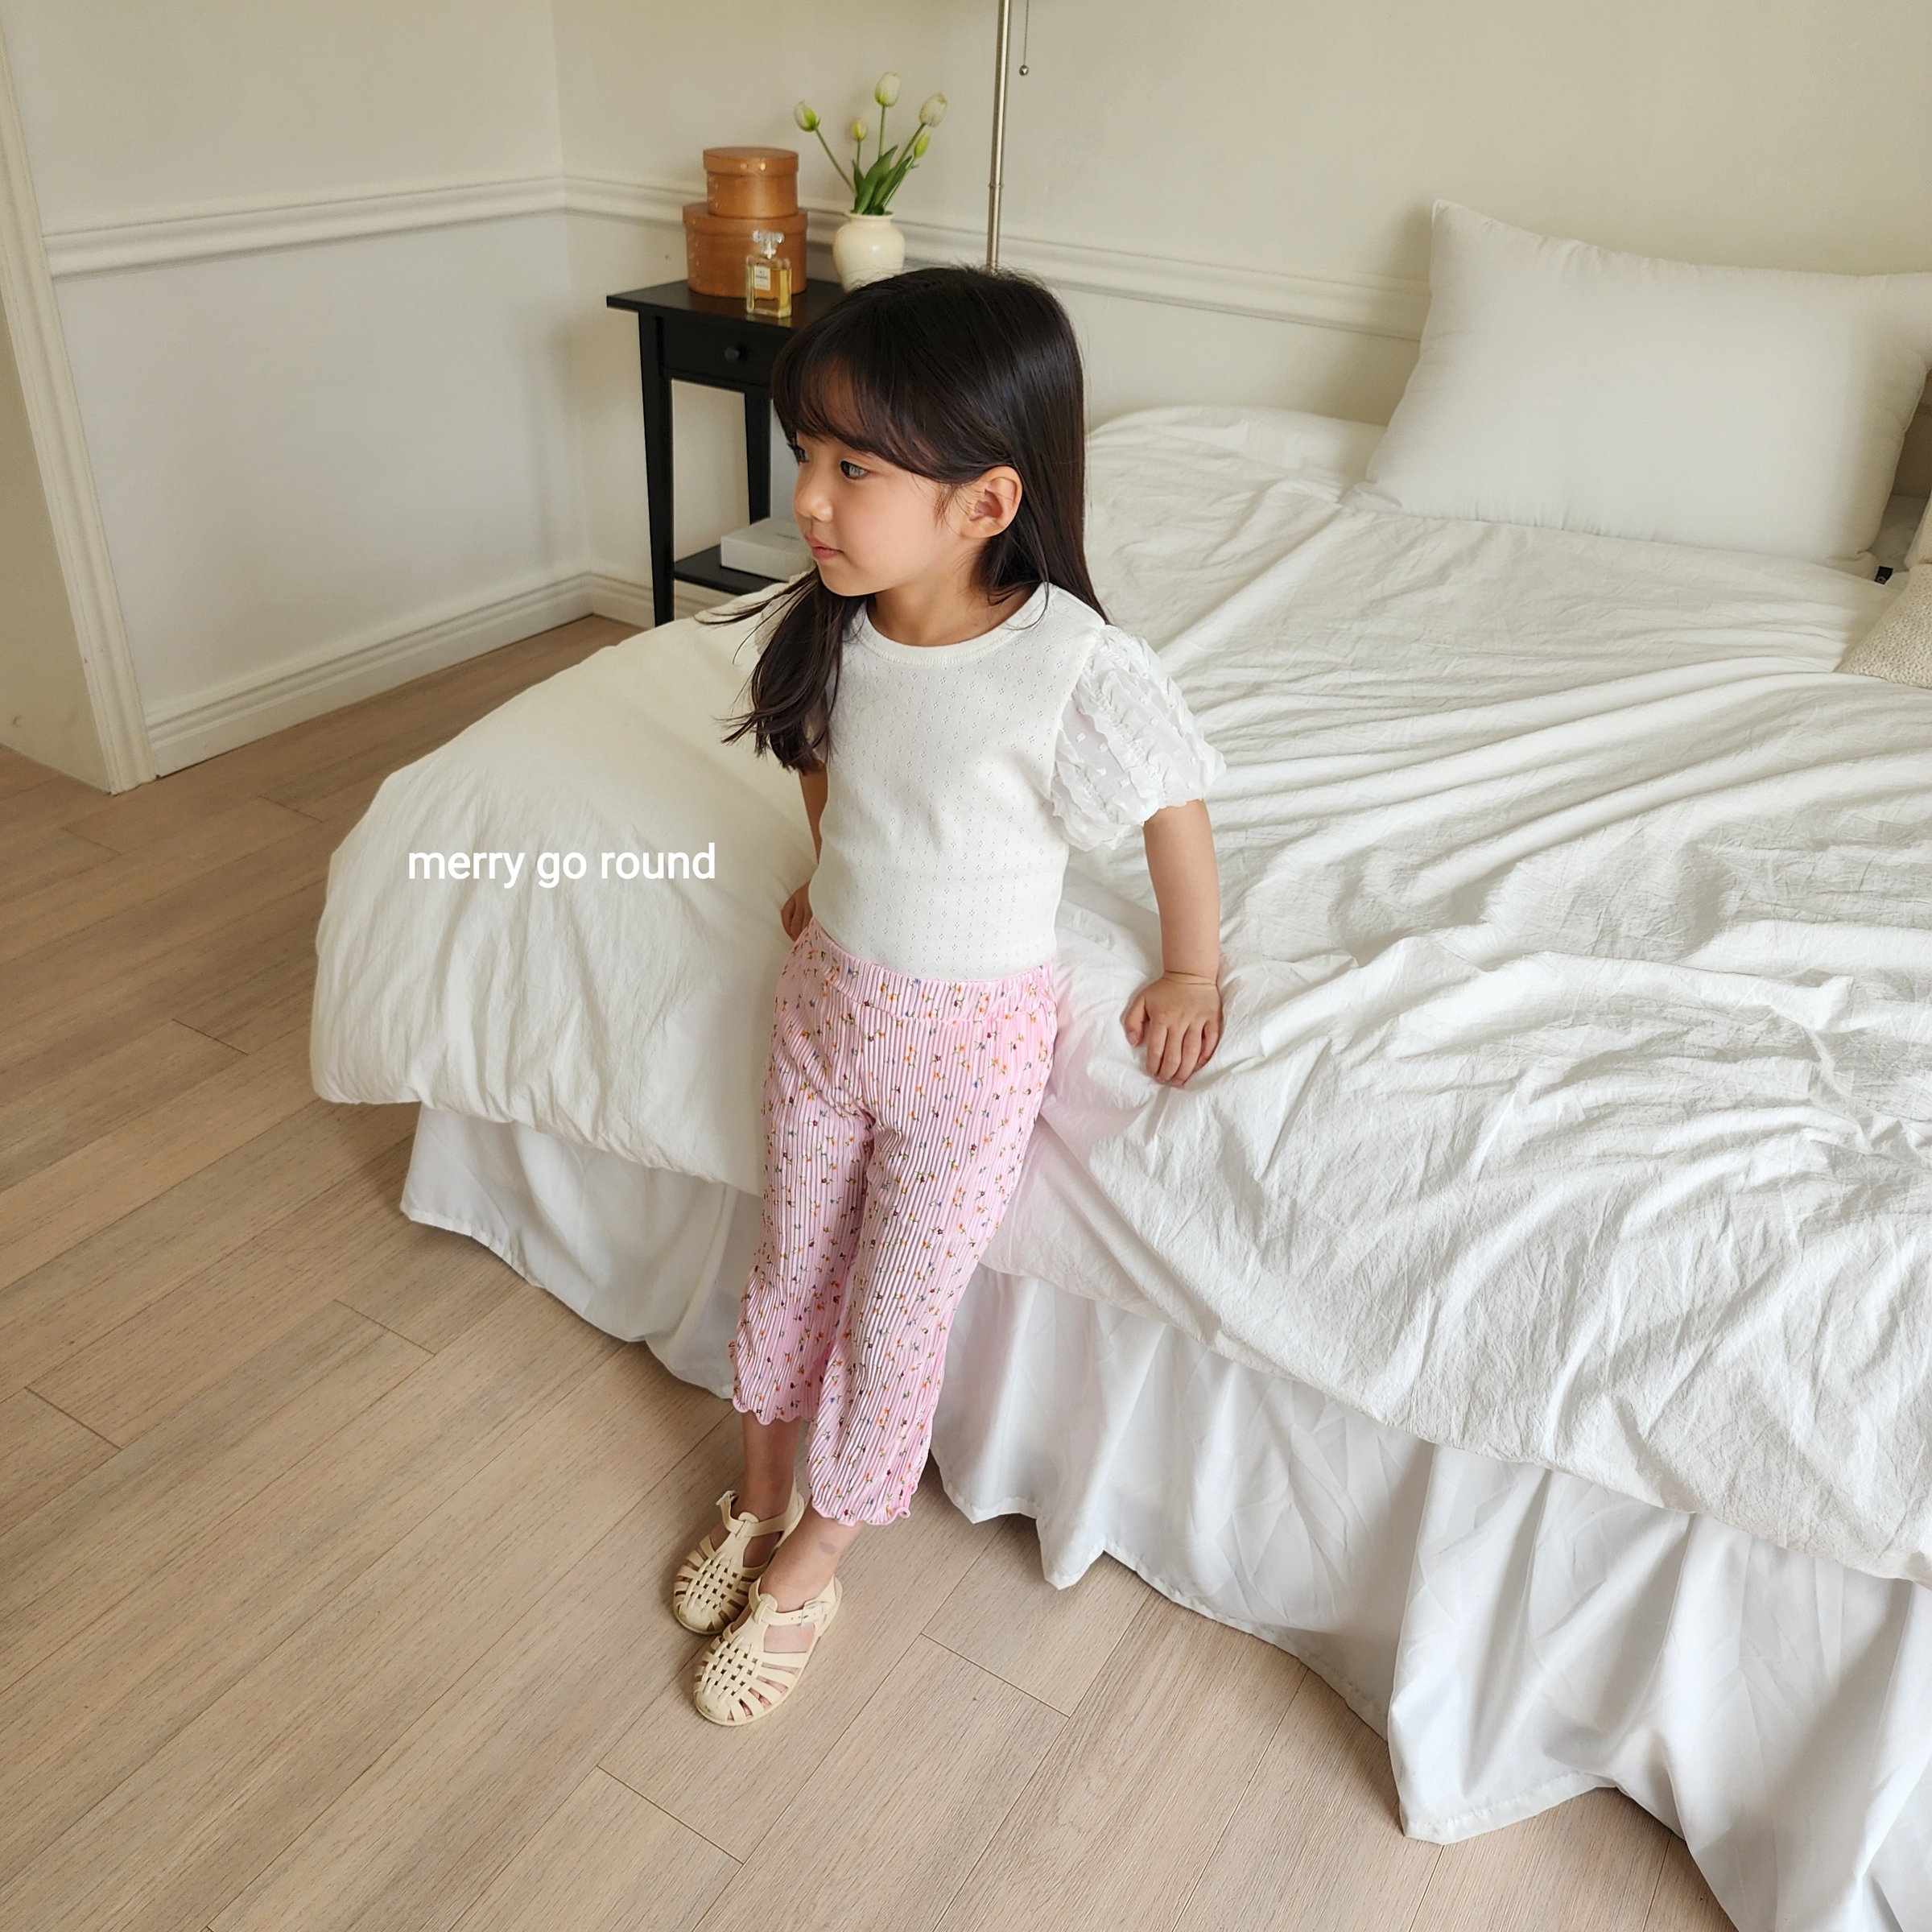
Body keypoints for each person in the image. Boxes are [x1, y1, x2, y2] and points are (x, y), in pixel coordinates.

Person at [672, 265, 1225, 1725]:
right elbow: (821, 757)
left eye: (854, 468)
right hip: (823, 1015)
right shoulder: (838, 620)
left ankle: (820, 1556)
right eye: (807, 452)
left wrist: (1192, 966)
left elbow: (1170, 807)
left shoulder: (1069, 667)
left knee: (894, 1315)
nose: (810, 498)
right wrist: (829, 874)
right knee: (792, 1264)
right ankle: (760, 1492)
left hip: (966, 1060)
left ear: (986, 502)